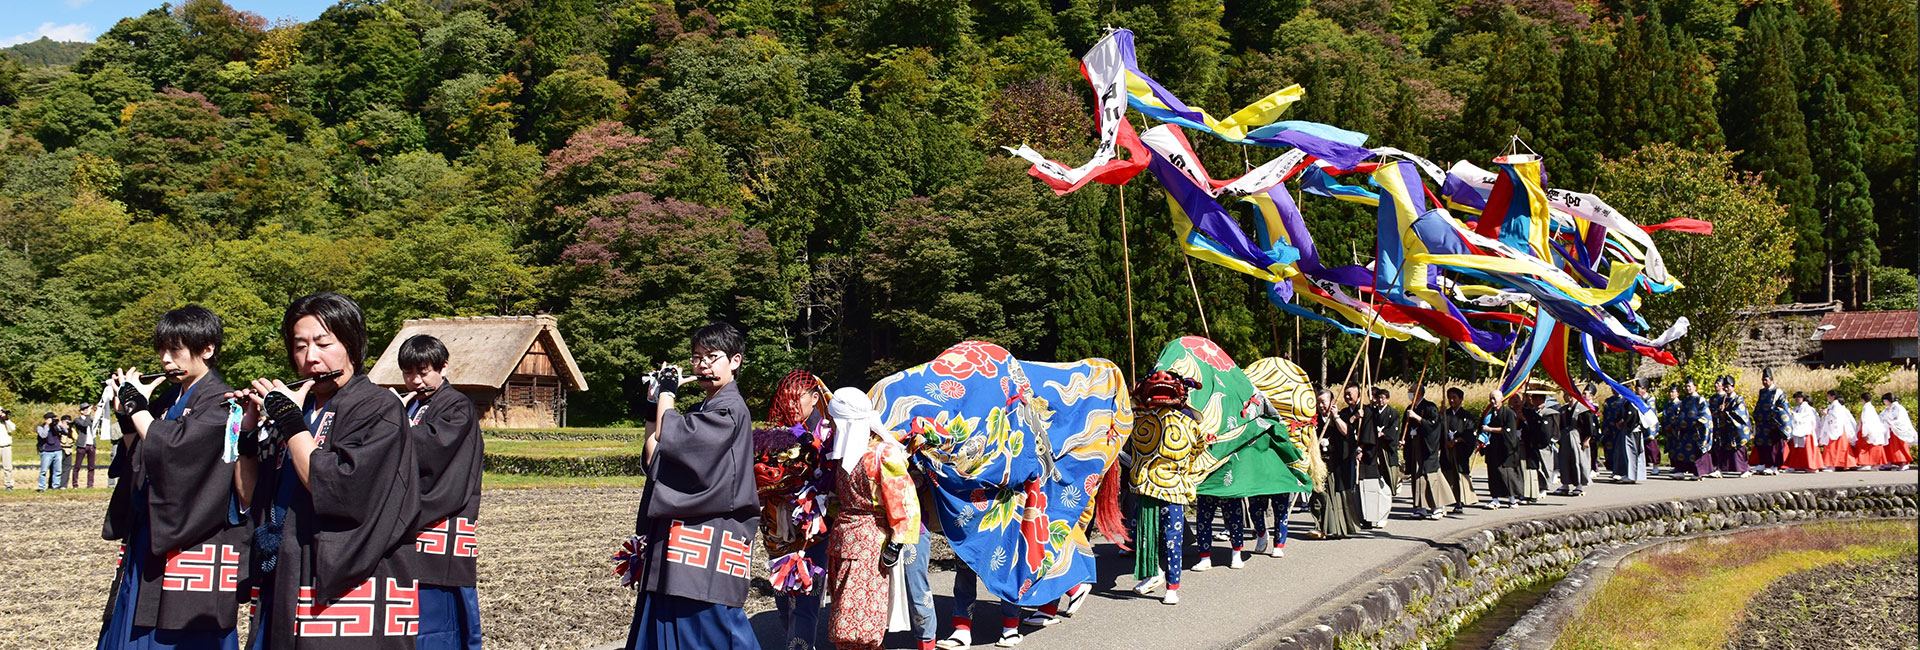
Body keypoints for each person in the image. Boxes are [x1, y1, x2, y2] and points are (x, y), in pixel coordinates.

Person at [233, 292, 421, 649]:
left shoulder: (378, 408)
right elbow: (250, 497)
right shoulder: (296, 412)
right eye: (300, 346)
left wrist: (288, 419)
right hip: (286, 576)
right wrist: (248, 428)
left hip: (346, 585)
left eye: (323, 343)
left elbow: (337, 487)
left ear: (351, 344)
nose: (311, 358)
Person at [98, 305, 251, 650]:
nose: (166, 360)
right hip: (152, 532)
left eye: (175, 349)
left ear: (207, 349)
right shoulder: (170, 396)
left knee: (183, 633)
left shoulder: (222, 402)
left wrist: (137, 405)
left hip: (194, 538)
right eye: (162, 350)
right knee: (134, 621)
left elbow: (174, 452)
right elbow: (141, 454)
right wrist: (128, 415)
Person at [624, 322, 759, 649]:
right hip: (681, 553)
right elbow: (657, 451)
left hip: (704, 552)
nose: (702, 365)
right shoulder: (703, 410)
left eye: (712, 357)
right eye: (697, 357)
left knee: (709, 635)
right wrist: (652, 403)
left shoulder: (728, 409)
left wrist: (668, 395)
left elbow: (675, 437)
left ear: (735, 361)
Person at [396, 335, 485, 650]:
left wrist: (391, 426)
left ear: (443, 367)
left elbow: (433, 447)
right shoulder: (415, 406)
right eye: (409, 374)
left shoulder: (455, 405)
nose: (416, 381)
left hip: (439, 523)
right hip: (412, 521)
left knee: (438, 621)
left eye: (423, 372)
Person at [823, 387, 921, 650]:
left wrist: (896, 542)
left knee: (858, 624)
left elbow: (902, 502)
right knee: (846, 617)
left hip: (869, 545)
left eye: (835, 419)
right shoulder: (843, 452)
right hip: (844, 541)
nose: (831, 424)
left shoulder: (882, 454)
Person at [754, 370, 834, 650]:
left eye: (795, 398)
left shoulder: (829, 432)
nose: (790, 404)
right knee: (782, 592)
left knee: (806, 592)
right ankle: (795, 641)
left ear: (814, 398)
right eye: (785, 398)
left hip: (814, 527)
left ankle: (798, 645)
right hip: (777, 525)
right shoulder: (772, 434)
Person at [1313, 389, 1363, 538]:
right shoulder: (1314, 419)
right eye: (1319, 402)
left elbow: (1347, 433)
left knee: (1336, 496)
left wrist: (1335, 417)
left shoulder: (1341, 416)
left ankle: (1337, 528)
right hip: (1320, 462)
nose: (1321, 405)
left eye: (1324, 402)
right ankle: (1319, 526)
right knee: (1318, 494)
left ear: (1332, 402)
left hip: (1337, 463)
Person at [1403, 384, 1452, 519]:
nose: (1410, 394)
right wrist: (1405, 439)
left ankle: (1438, 506)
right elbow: (1405, 427)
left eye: (1411, 392)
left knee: (1430, 476)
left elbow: (1434, 426)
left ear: (1419, 393)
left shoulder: (1430, 407)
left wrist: (1418, 419)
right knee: (1417, 476)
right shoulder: (1410, 408)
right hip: (1414, 446)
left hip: (1427, 446)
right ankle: (1420, 507)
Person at [1356, 388, 1398, 527]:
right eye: (1374, 396)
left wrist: (1383, 434)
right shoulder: (1367, 411)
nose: (1377, 400)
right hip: (1370, 452)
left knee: (1384, 484)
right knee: (1367, 487)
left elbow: (1393, 430)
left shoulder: (1392, 413)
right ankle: (1367, 516)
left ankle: (1384, 514)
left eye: (1380, 397)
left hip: (1384, 450)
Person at [1438, 388, 1480, 512]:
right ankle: (1445, 502)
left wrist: (1456, 440)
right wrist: (1440, 415)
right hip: (1447, 449)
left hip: (1460, 450)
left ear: (1461, 399)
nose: (1452, 400)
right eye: (1450, 397)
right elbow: (1438, 430)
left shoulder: (1467, 416)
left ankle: (1459, 502)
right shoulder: (1445, 415)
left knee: (1459, 476)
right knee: (1447, 474)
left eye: (1454, 397)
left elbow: (1469, 433)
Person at [1480, 392, 1523, 508]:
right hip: (1492, 447)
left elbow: (1508, 430)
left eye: (1494, 398)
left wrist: (1490, 429)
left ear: (1502, 399)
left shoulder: (1508, 413)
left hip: (1504, 448)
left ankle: (1512, 498)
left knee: (1505, 474)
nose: (1492, 401)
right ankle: (1495, 498)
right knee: (1492, 473)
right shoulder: (1489, 414)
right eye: (1490, 399)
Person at [1707, 376, 1751, 477]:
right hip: (1725, 428)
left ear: (1733, 387)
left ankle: (1745, 469)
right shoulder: (1723, 399)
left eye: (1728, 387)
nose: (1726, 389)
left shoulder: (1738, 399)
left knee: (1738, 449)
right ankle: (1720, 469)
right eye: (1725, 386)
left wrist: (1726, 412)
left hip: (1736, 428)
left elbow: (1739, 412)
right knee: (1723, 448)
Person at [1553, 389, 1594, 496]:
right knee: (1564, 461)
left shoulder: (1583, 409)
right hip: (1565, 438)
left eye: (1568, 394)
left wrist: (1587, 440)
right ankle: (1565, 484)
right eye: (1565, 394)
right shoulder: (1563, 410)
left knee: (1578, 461)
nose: (1567, 396)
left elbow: (1589, 426)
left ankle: (1579, 485)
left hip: (1578, 439)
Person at [1602, 385, 1647, 483]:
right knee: (1627, 453)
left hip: (1632, 430)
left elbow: (1632, 415)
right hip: (1628, 430)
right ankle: (1628, 474)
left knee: (1632, 454)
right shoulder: (1627, 401)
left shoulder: (1632, 401)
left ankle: (1632, 476)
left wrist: (1624, 423)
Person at [1749, 369, 1790, 475]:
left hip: (1773, 423)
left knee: (1774, 446)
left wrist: (1773, 412)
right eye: (1763, 380)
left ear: (1772, 380)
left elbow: (1783, 407)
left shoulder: (1778, 392)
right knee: (1761, 444)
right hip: (1762, 422)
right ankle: (1762, 463)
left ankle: (1774, 466)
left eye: (1766, 380)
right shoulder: (1762, 391)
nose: (1764, 382)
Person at [1519, 393, 1556, 502]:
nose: (1538, 401)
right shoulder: (1531, 412)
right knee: (1535, 467)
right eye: (1536, 399)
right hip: (1532, 443)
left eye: (1540, 399)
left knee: (1544, 466)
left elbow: (1544, 429)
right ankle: (1536, 488)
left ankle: (1544, 488)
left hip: (1542, 443)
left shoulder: (1549, 413)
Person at [1675, 380, 1713, 480]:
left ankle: (1698, 473)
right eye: (1686, 386)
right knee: (1682, 449)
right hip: (1685, 430)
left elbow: (1705, 415)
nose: (1688, 388)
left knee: (1697, 451)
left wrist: (1697, 422)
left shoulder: (1700, 399)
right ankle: (1681, 471)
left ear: (1695, 387)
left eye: (1689, 386)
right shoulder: (1685, 401)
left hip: (1697, 430)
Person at [1782, 392, 1824, 473]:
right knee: (1796, 449)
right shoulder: (1796, 408)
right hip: (1797, 430)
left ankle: (1811, 466)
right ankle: (1794, 465)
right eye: (1796, 398)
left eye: (1799, 397)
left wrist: (1794, 415)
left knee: (1807, 449)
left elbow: (1805, 418)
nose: (1797, 399)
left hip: (1806, 431)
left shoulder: (1807, 408)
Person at [1819, 390, 1858, 471]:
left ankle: (1832, 465)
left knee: (1833, 447)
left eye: (1828, 396)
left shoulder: (1836, 406)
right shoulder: (1833, 405)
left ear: (1832, 396)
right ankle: (1839, 464)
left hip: (1836, 428)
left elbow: (1835, 417)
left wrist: (1826, 414)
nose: (1828, 398)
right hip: (1836, 428)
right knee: (1840, 447)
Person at [1878, 394, 1915, 471]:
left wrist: (1892, 422)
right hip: (1890, 430)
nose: (1884, 402)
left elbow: (1901, 419)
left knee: (1900, 446)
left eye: (1885, 400)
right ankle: (1889, 462)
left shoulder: (1899, 408)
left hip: (1898, 429)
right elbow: (1881, 416)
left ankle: (1904, 462)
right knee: (1888, 447)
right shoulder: (1888, 408)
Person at [1852, 393, 1888, 470]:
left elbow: (1865, 421)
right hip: (1875, 429)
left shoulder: (1866, 408)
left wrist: (1865, 432)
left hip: (1868, 429)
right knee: (1874, 446)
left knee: (1864, 446)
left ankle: (1866, 463)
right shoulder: (1871, 407)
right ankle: (1876, 463)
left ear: (1862, 399)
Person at [70, 404, 100, 488]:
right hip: (82, 445)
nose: (87, 411)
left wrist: (97, 412)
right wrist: (88, 415)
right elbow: (84, 425)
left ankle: (90, 484)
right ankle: (75, 484)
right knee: (77, 466)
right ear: (81, 411)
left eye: (87, 409)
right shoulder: (77, 420)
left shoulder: (90, 420)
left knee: (91, 466)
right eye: (85, 409)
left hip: (91, 445)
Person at [37, 412, 64, 491]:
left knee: (58, 470)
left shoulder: (56, 427)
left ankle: (56, 486)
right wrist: (47, 425)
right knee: (43, 471)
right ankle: (42, 487)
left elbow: (65, 432)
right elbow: (43, 435)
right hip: (46, 451)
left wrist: (60, 425)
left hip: (57, 450)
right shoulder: (40, 427)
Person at [0, 408, 14, 490]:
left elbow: (12, 429)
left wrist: (6, 419)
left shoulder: (4, 421)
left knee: (8, 467)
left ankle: (8, 485)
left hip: (6, 446)